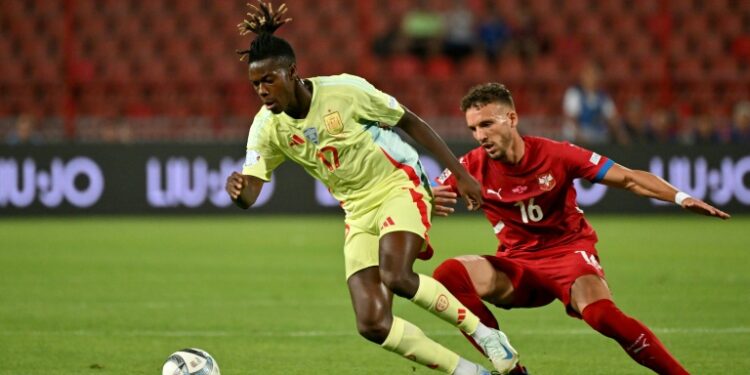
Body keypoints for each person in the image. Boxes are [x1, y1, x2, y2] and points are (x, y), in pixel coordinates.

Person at [224, 3, 521, 375]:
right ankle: (466, 371)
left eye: (269, 79)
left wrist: (459, 173)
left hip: (397, 184)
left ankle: (486, 335)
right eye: (255, 84)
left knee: (396, 276)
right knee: (372, 323)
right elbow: (250, 192)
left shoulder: (345, 91)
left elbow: (410, 122)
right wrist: (237, 190)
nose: (263, 91)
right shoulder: (266, 127)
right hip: (357, 209)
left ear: (292, 72)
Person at [431, 83, 730, 374]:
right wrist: (427, 201)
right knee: (448, 275)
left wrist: (680, 197)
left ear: (511, 118)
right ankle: (508, 365)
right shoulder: (468, 166)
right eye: (473, 129)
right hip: (517, 264)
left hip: (568, 254)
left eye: (486, 124)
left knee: (602, 316)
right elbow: (419, 193)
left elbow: (628, 178)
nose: (480, 136)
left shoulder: (556, 154)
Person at [562, 61, 627, 145]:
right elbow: (570, 118)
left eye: (595, 75)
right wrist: (580, 136)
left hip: (597, 137)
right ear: (583, 76)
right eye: (589, 75)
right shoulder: (574, 93)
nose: (592, 78)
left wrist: (621, 134)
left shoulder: (603, 97)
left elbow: (612, 118)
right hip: (578, 138)